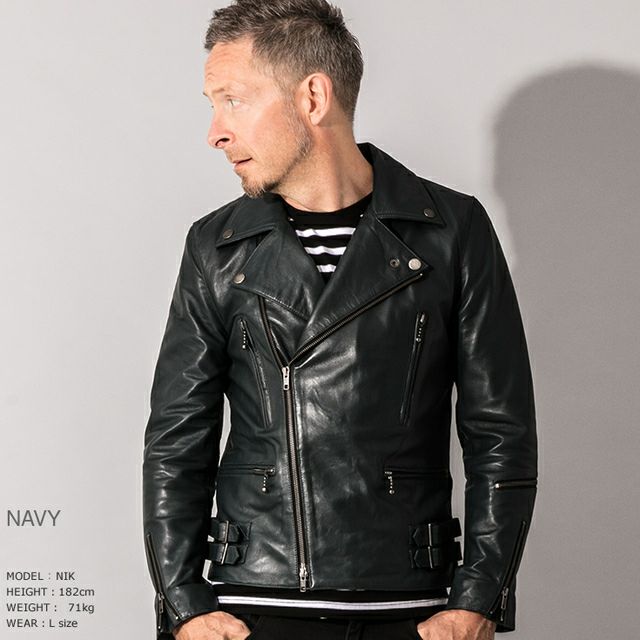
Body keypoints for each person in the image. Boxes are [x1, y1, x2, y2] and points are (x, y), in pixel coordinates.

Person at [142, 1, 538, 639]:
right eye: (213, 104)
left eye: (233, 100)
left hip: (408, 607)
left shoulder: (451, 232)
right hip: (255, 606)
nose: (215, 131)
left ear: (313, 97)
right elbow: (176, 440)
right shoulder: (216, 246)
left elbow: (501, 433)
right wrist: (184, 604)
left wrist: (479, 599)